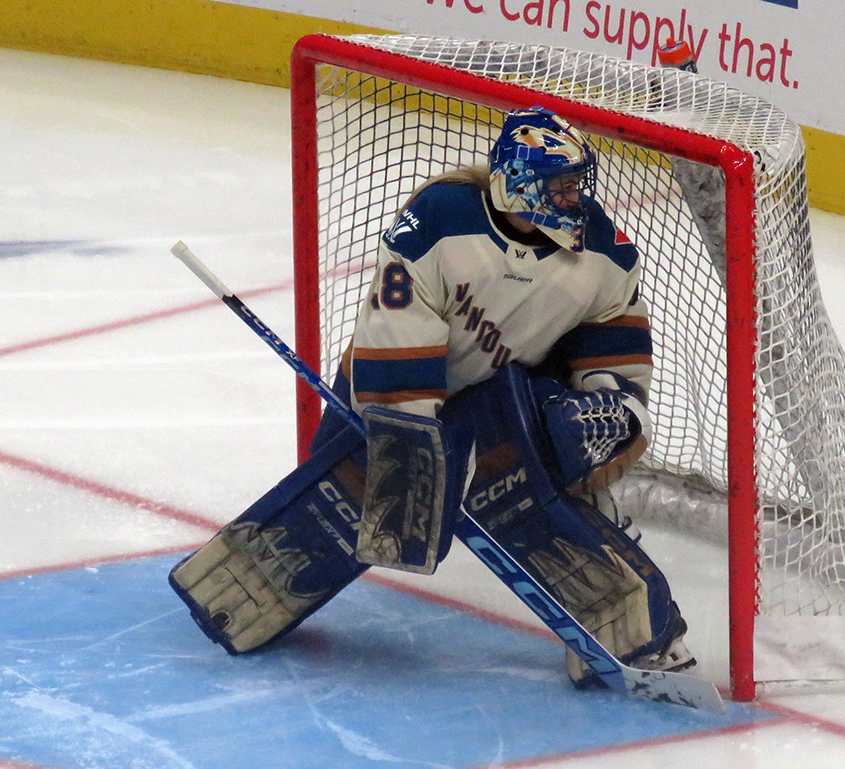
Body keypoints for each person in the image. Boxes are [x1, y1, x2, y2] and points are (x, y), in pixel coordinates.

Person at [170, 106, 695, 685]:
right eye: (562, 186)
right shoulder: (441, 220)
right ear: (521, 184)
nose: (577, 198)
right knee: (348, 501)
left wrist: (613, 405)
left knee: (542, 490)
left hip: (501, 399)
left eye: (577, 184)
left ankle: (635, 634)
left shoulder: (602, 250)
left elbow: (614, 334)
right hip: (390, 390)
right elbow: (395, 335)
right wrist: (418, 448)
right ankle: (239, 594)